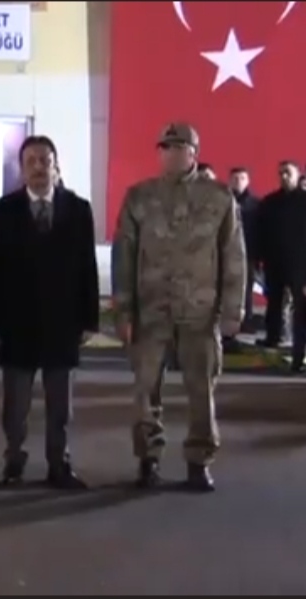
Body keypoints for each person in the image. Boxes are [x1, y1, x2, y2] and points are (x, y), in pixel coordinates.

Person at [111, 122, 245, 492]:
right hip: (151, 311)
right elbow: (124, 257)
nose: (169, 153)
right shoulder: (139, 197)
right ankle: (148, 459)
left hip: (200, 312)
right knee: (145, 391)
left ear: (192, 153)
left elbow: (233, 255)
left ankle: (199, 462)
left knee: (201, 391)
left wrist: (233, 310)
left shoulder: (218, 198)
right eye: (164, 147)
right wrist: (123, 310)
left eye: (177, 147)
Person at [0, 135, 99, 489]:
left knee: (60, 406)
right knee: (15, 406)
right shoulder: (1, 211)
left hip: (63, 322)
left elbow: (88, 268)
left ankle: (59, 464)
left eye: (45, 160)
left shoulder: (78, 209)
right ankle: (13, 462)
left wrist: (89, 319)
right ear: (21, 168)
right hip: (16, 323)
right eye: (30, 161)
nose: (38, 168)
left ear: (55, 165)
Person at [256, 161, 306, 351]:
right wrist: (260, 257)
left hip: (300, 262)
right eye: (281, 173)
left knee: (301, 305)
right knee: (274, 302)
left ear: (297, 174)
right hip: (274, 261)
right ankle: (273, 337)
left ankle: (300, 343)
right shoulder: (269, 202)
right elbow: (261, 232)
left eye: (288, 172)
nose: (284, 176)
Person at [228, 167, 260, 334]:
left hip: (248, 253)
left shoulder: (256, 205)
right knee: (227, 289)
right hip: (227, 252)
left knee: (246, 290)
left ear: (248, 181)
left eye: (242, 178)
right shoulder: (224, 201)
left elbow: (262, 231)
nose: (238, 182)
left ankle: (247, 321)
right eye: (235, 178)